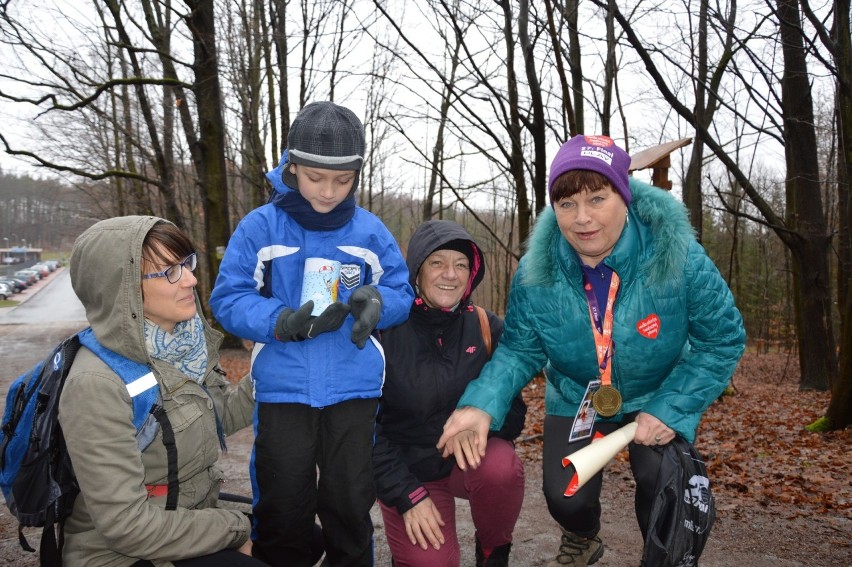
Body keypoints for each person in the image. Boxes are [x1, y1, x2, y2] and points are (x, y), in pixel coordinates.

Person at [437, 135, 746, 566]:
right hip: (577, 394)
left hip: (657, 392)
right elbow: (519, 349)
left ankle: (660, 556)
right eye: (566, 204)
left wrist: (672, 408)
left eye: (597, 199)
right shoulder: (536, 270)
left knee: (662, 483)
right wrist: (480, 404)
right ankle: (583, 537)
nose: (582, 219)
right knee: (566, 496)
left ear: (624, 195)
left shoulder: (678, 256)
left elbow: (723, 339)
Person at [209, 101, 414, 567]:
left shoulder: (369, 230)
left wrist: (378, 305)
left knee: (349, 507)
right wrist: (277, 321)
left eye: (342, 181)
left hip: (353, 388)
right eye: (316, 178)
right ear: (292, 166)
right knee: (283, 509)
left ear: (356, 176)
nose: (328, 192)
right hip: (284, 390)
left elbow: (400, 290)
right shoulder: (260, 226)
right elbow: (228, 298)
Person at [58, 216, 265, 566]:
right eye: (170, 271)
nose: (192, 280)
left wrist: (268, 362)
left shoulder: (186, 346)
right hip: (117, 553)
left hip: (183, 515)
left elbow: (221, 416)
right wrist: (235, 528)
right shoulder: (96, 384)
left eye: (186, 264)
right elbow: (127, 526)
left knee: (301, 537)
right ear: (121, 288)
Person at [373, 220, 526, 567]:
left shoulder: (487, 327)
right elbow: (364, 431)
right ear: (416, 270)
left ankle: (492, 552)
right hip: (409, 473)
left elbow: (515, 412)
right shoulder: (384, 333)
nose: (450, 274)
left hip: (467, 464)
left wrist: (484, 421)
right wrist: (406, 495)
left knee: (501, 468)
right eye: (437, 262)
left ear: (471, 275)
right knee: (432, 562)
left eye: (461, 265)